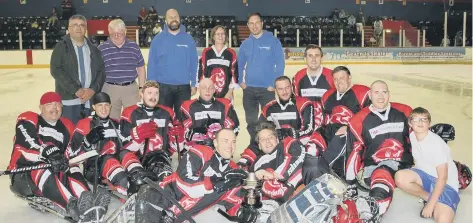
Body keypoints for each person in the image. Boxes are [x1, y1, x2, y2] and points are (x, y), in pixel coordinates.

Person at [8, 92, 110, 222]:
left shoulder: (66, 125)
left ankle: (87, 198)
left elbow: (71, 154)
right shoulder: (29, 118)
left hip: (54, 171)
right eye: (49, 104)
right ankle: (72, 206)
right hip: (23, 175)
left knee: (71, 166)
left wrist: (87, 142)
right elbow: (27, 143)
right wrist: (47, 151)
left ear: (62, 107)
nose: (54, 108)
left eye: (57, 105)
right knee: (41, 167)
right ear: (41, 107)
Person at [134, 129, 258, 223]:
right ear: (215, 143)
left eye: (233, 142)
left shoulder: (233, 171)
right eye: (225, 141)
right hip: (157, 198)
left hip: (178, 217)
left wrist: (242, 212)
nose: (230, 146)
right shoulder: (199, 152)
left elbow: (233, 199)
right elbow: (187, 185)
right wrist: (216, 183)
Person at [344, 80, 413, 221]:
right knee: (382, 174)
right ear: (369, 95)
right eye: (376, 92)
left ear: (389, 94)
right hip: (376, 168)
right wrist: (350, 183)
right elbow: (353, 152)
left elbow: (419, 137)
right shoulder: (358, 120)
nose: (381, 96)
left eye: (384, 92)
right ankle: (370, 214)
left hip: (404, 167)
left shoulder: (405, 112)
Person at [67, 92, 152, 197]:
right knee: (109, 159)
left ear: (110, 106)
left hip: (115, 161)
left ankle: (141, 179)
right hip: (94, 168)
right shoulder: (84, 124)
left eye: (106, 105)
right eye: (100, 105)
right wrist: (87, 142)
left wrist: (138, 138)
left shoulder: (117, 123)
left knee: (126, 154)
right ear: (93, 107)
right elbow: (71, 154)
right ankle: (129, 188)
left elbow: (127, 147)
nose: (104, 109)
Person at [395, 107, 460, 222]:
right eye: (416, 119)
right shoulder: (412, 136)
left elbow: (443, 178)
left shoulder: (436, 144)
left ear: (429, 123)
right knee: (400, 177)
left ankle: (436, 201)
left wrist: (430, 205)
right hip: (426, 176)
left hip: (446, 184)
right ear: (410, 123)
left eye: (424, 119)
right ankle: (429, 197)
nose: (420, 123)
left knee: (443, 220)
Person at [50, 14, 106, 125]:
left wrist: (93, 90)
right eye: (75, 25)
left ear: (86, 28)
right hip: (69, 101)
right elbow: (56, 70)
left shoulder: (94, 49)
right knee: (70, 134)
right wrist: (76, 89)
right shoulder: (61, 47)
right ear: (69, 28)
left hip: (89, 100)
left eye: (82, 25)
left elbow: (101, 71)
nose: (78, 27)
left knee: (89, 133)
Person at [238, 12, 285, 140]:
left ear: (262, 23)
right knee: (251, 121)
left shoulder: (273, 41)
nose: (254, 26)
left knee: (267, 121)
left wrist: (274, 84)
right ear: (248, 25)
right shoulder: (245, 44)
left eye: (257, 22)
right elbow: (239, 64)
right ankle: (255, 146)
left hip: (267, 89)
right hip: (249, 90)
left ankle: (268, 147)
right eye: (251, 23)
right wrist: (240, 81)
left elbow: (280, 63)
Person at [120, 81, 181, 178]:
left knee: (165, 181)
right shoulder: (129, 112)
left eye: (156, 93)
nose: (153, 97)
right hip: (137, 160)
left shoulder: (168, 113)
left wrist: (179, 139)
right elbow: (123, 148)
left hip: (162, 159)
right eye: (149, 93)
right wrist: (137, 136)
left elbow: (176, 149)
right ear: (141, 94)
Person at [147, 8, 198, 121]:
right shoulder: (157, 40)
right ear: (165, 21)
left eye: (176, 17)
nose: (174, 19)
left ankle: (181, 139)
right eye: (170, 17)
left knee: (183, 119)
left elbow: (194, 63)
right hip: (163, 87)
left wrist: (194, 83)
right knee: (164, 119)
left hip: (184, 87)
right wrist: (151, 85)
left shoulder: (188, 39)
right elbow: (152, 63)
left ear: (179, 19)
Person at [319, 66, 371, 177]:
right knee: (315, 139)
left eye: (341, 78)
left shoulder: (362, 93)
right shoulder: (327, 96)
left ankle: (321, 171)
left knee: (341, 140)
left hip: (353, 135)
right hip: (332, 132)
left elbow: (370, 118)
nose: (338, 82)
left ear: (349, 78)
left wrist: (350, 127)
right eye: (335, 79)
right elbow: (325, 120)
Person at [98, 19, 146, 120]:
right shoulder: (101, 48)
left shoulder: (134, 47)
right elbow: (97, 71)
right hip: (110, 88)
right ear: (109, 32)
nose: (116, 36)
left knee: (133, 118)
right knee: (111, 119)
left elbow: (141, 68)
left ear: (125, 31)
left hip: (131, 89)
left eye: (119, 33)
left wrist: (141, 87)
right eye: (113, 33)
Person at [250, 121, 306, 205]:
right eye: (263, 139)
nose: (267, 141)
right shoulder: (255, 164)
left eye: (270, 137)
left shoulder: (289, 143)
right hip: (271, 204)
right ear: (259, 146)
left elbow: (298, 158)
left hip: (298, 192)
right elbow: (249, 185)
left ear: (277, 139)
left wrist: (273, 175)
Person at [180, 78, 239, 147]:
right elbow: (183, 130)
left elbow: (234, 128)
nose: (207, 91)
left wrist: (220, 133)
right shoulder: (187, 106)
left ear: (214, 90)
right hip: (196, 148)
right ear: (199, 89)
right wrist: (193, 135)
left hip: (219, 147)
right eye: (204, 88)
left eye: (210, 88)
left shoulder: (225, 105)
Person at [198, 25, 238, 100]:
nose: (220, 36)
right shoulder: (206, 52)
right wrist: (204, 90)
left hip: (226, 94)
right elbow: (202, 72)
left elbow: (234, 74)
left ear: (226, 36)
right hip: (208, 93)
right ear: (213, 36)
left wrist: (229, 92)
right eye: (218, 34)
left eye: (223, 34)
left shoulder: (231, 53)